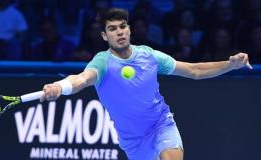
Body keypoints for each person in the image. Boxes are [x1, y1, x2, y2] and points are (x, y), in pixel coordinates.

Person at [40, 8, 252, 160]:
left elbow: (194, 71)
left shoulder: (149, 56)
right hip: (133, 141)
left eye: (122, 27)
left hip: (161, 125)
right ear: (104, 36)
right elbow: (81, 79)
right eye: (112, 29)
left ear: (130, 30)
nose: (119, 32)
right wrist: (60, 87)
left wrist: (230, 65)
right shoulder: (102, 61)